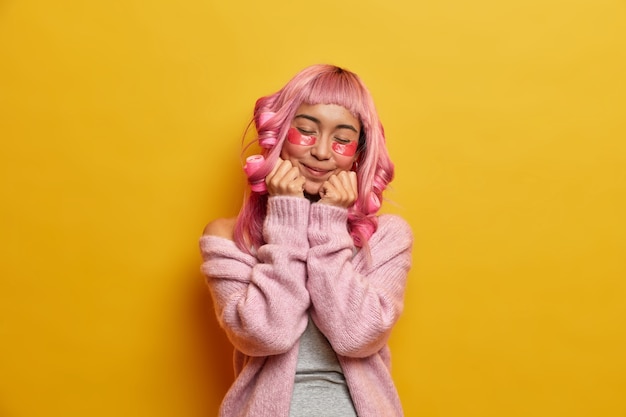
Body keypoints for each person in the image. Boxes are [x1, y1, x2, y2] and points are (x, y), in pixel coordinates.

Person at [199, 64, 413, 417]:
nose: (322, 153)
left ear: (359, 154)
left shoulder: (388, 237)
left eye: (342, 139)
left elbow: (356, 336)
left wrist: (328, 222)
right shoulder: (227, 238)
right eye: (306, 132)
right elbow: (267, 334)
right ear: (280, 136)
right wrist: (287, 216)